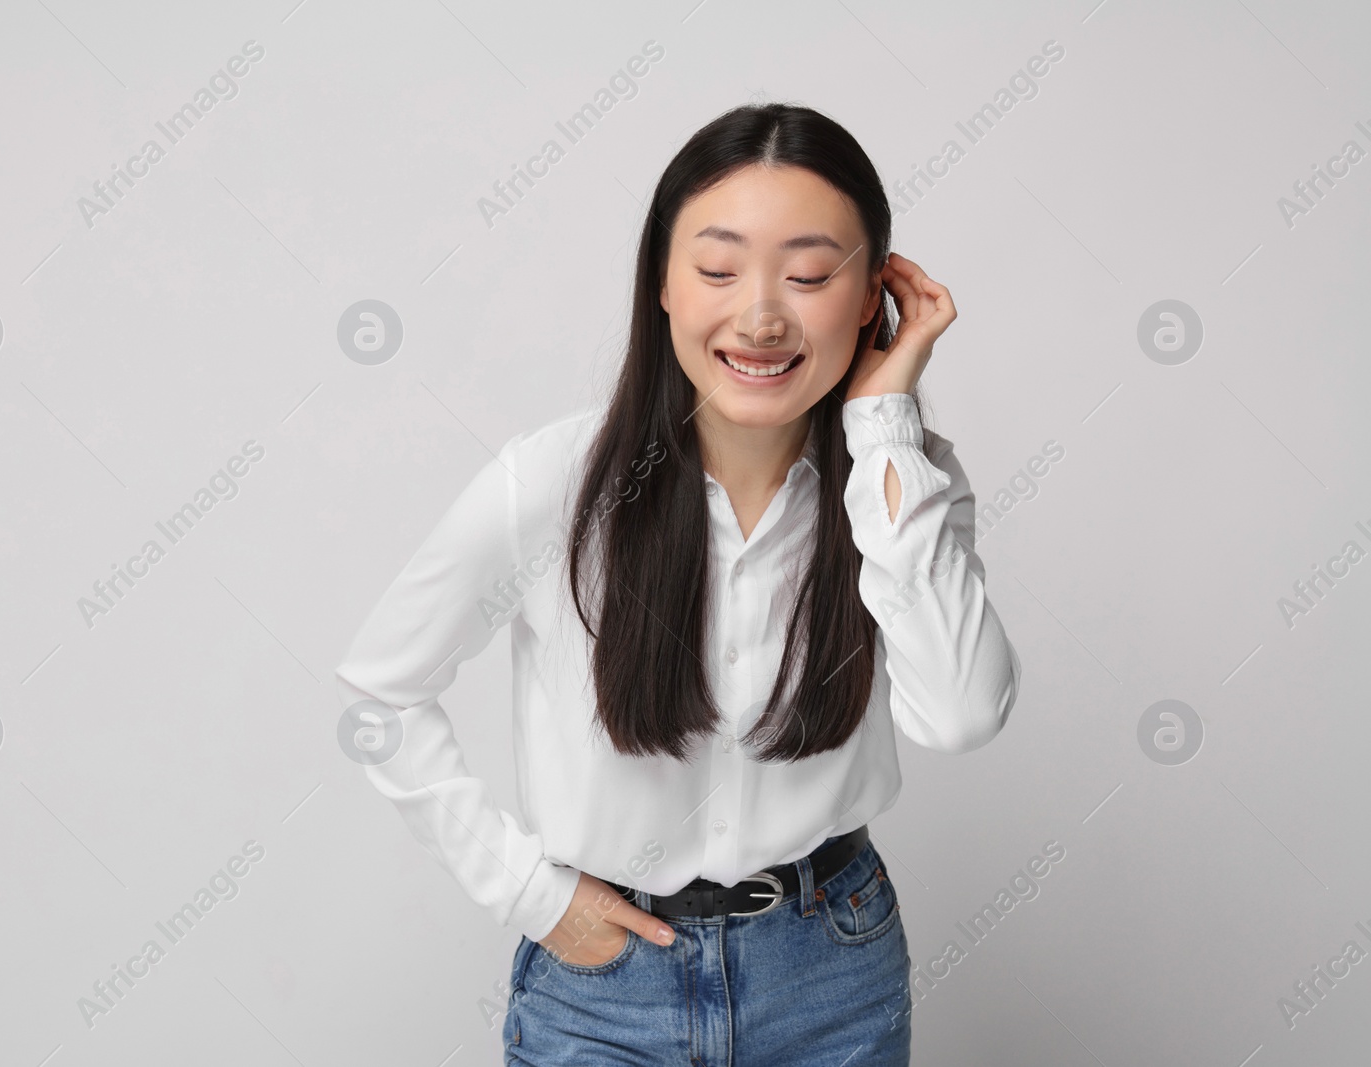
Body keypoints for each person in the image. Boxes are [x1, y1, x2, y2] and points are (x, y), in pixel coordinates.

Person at [334, 101, 1022, 1066]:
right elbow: (379, 693)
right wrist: (531, 893)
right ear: (663, 280)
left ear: (873, 296)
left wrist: (886, 429)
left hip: (830, 970)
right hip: (603, 991)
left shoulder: (901, 482)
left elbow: (960, 715)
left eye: (812, 274)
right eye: (717, 267)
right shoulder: (554, 482)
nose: (762, 314)